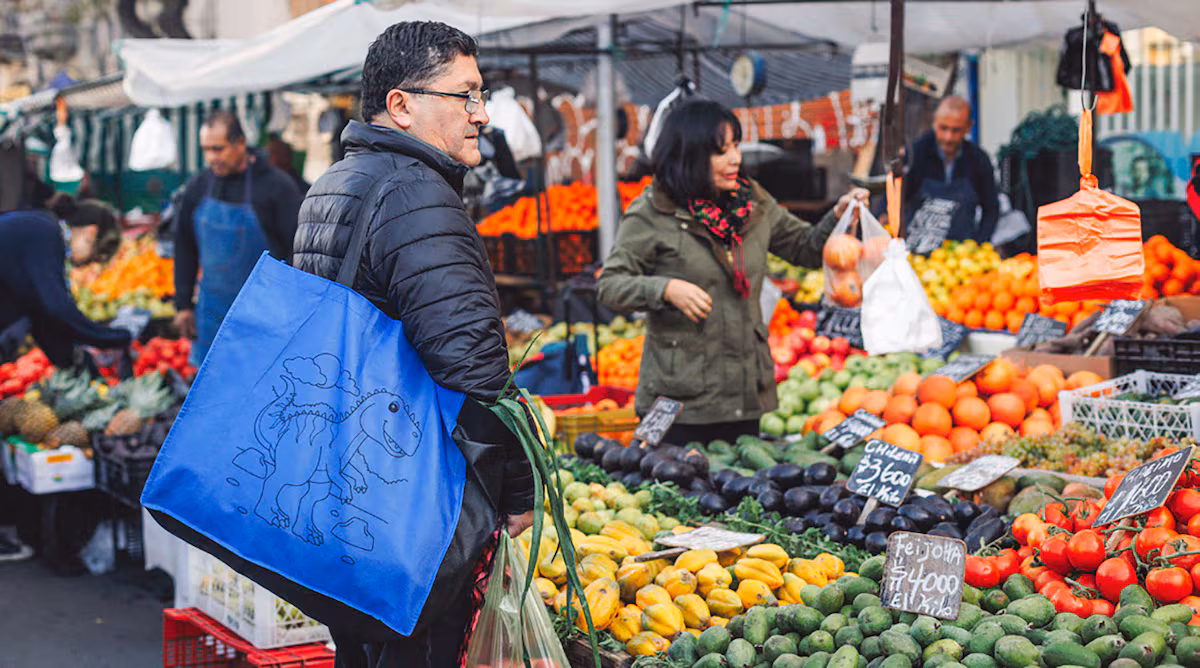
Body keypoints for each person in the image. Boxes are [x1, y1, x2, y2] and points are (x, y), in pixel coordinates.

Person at [291, 21, 534, 667]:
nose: (482, 114)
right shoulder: (417, 195)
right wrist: (517, 491)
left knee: (363, 645)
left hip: (346, 473)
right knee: (417, 645)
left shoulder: (336, 182)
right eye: (466, 96)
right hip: (409, 491)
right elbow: (472, 364)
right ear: (401, 104)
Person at [597, 99, 868, 445]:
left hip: (742, 395)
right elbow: (611, 285)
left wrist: (839, 217)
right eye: (721, 151)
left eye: (736, 146)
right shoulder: (653, 212)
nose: (736, 159)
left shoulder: (750, 202)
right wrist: (664, 289)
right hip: (681, 400)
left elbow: (805, 246)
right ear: (690, 156)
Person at [172, 110, 302, 366]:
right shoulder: (197, 187)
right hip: (212, 314)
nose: (211, 158)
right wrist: (183, 303)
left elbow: (298, 251)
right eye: (206, 150)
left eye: (218, 149)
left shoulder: (277, 186)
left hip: (265, 317)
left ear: (240, 143)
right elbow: (184, 246)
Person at [0, 196, 133, 369]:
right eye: (97, 256)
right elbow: (56, 307)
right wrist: (114, 337)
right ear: (91, 233)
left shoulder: (41, 228)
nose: (90, 264)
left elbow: (40, 312)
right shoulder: (45, 232)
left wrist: (70, 359)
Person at [903, 95, 1000, 245]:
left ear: (969, 127)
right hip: (916, 251)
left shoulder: (979, 159)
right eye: (943, 128)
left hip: (961, 255)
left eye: (956, 130)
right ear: (934, 123)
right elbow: (894, 199)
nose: (948, 137)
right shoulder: (915, 154)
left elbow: (991, 209)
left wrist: (979, 244)